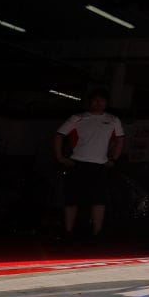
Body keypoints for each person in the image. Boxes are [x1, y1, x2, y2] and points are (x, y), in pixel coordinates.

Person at [53, 88, 124, 239]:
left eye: (102, 101)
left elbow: (120, 140)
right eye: (96, 100)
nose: (99, 104)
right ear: (90, 102)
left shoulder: (113, 120)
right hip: (77, 163)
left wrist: (114, 159)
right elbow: (59, 135)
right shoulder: (77, 118)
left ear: (106, 103)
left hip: (100, 165)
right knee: (71, 199)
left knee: (99, 200)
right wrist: (60, 157)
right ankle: (68, 231)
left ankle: (97, 233)